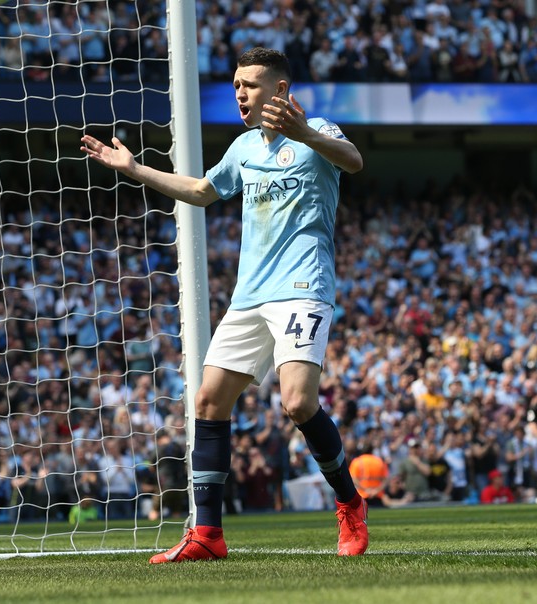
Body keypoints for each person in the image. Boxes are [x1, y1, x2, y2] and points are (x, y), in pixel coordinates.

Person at [81, 47, 365, 563]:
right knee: (209, 402)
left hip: (303, 286)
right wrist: (133, 168)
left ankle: (349, 503)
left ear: (279, 90)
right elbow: (201, 190)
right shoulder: (242, 148)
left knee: (298, 404)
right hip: (249, 295)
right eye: (236, 84)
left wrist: (306, 136)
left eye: (250, 85)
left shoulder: (317, 130)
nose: (240, 93)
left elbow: (354, 161)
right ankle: (207, 534)